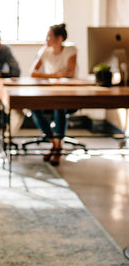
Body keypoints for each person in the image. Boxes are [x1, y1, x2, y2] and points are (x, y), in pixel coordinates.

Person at [30, 22, 78, 165]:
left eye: (49, 36)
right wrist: (56, 75)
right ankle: (55, 143)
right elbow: (33, 73)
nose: (46, 39)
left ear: (59, 38)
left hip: (66, 94)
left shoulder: (71, 50)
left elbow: (70, 73)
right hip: (48, 92)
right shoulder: (45, 51)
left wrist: (50, 76)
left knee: (59, 107)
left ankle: (56, 149)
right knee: (34, 109)